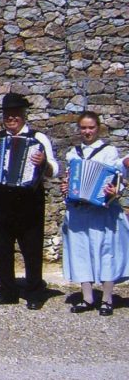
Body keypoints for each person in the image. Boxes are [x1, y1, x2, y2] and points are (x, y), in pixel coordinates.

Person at [0, 92, 58, 309]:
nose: (11, 118)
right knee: (1, 247)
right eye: (7, 114)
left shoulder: (38, 138)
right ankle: (8, 290)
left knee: (31, 247)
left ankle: (34, 292)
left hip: (28, 199)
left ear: (23, 115)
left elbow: (54, 169)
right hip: (2, 199)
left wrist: (44, 162)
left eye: (15, 114)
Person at [60, 111, 129, 316]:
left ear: (98, 128)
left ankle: (107, 299)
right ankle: (87, 297)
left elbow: (119, 180)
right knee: (81, 251)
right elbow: (70, 181)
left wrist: (114, 191)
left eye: (91, 127)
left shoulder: (109, 152)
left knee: (106, 251)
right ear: (79, 129)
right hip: (79, 210)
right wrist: (65, 188)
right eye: (83, 128)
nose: (87, 131)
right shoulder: (73, 154)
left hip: (103, 211)